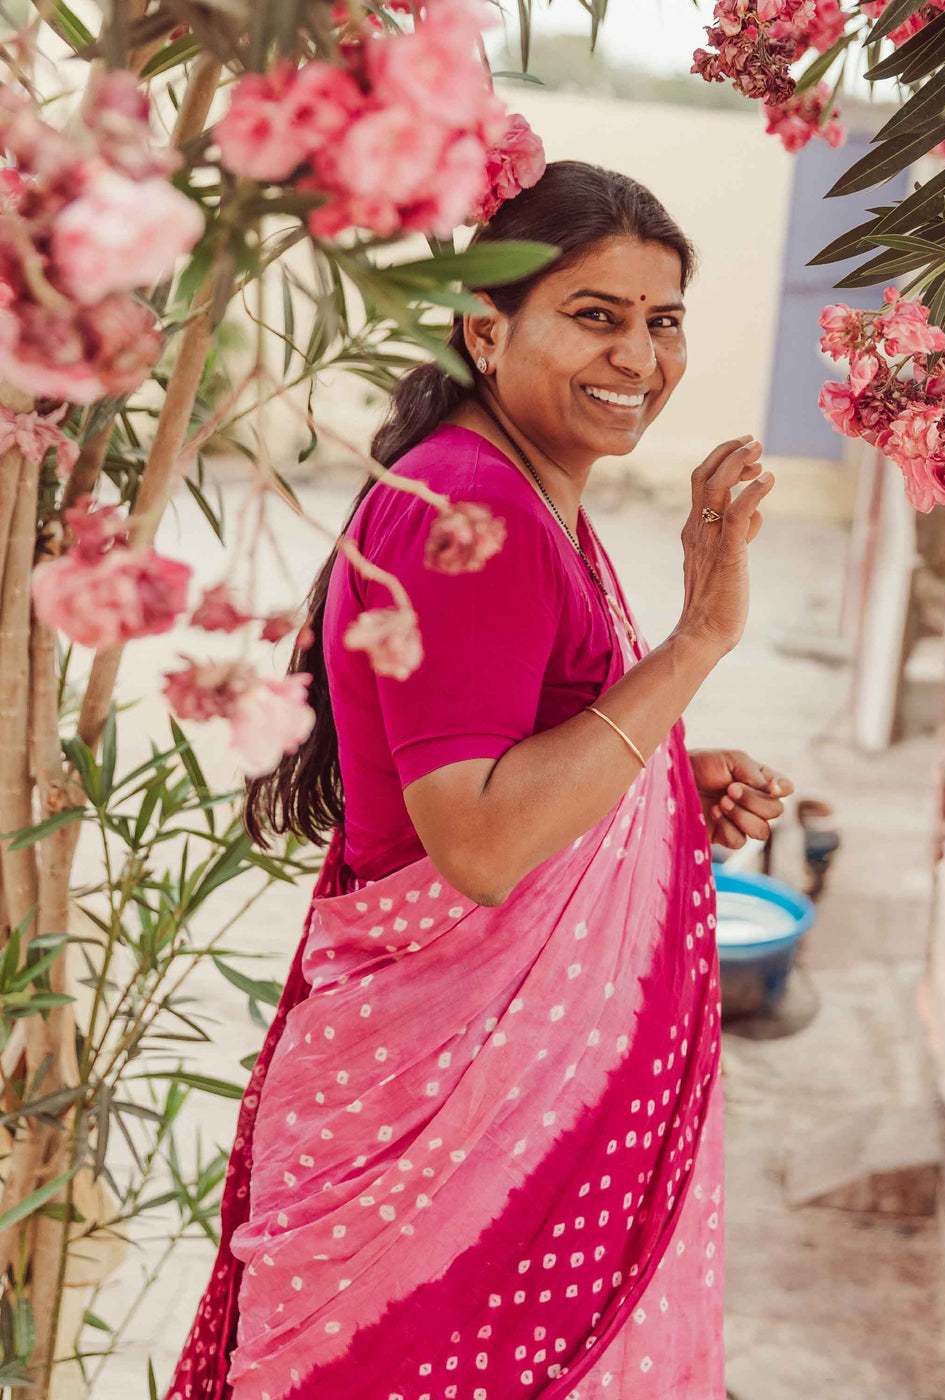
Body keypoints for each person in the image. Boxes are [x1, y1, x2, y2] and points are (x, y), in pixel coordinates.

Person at [164, 160, 793, 1400]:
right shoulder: (475, 506)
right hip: (444, 1141)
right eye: (594, 316)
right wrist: (697, 641)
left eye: (661, 321)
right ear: (484, 326)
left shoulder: (512, 492)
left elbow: (503, 751)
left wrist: (658, 784)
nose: (639, 357)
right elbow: (481, 841)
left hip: (492, 1130)